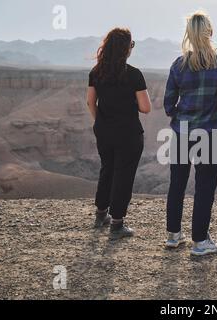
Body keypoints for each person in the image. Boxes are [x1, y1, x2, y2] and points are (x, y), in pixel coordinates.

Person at [163, 11, 217, 256]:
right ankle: (199, 241)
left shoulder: (178, 64)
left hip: (182, 131)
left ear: (189, 34)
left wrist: (180, 114)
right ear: (210, 32)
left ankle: (173, 236)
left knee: (177, 184)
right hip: (209, 132)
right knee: (204, 187)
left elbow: (167, 103)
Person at [87, 28, 151, 240]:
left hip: (104, 131)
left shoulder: (96, 72)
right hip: (129, 133)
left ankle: (100, 215)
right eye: (131, 45)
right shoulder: (133, 74)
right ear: (126, 49)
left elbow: (90, 101)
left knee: (107, 169)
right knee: (123, 175)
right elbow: (145, 107)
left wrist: (101, 121)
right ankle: (117, 223)